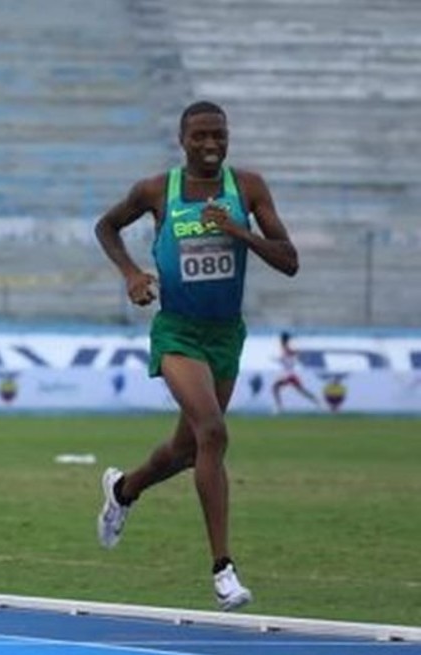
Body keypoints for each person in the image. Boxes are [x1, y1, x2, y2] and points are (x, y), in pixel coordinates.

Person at [93, 100, 300, 611]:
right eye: (200, 136)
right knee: (213, 432)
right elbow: (106, 227)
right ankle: (222, 569)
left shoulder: (247, 188)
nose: (210, 144)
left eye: (218, 135)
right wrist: (131, 275)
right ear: (182, 140)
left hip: (225, 335)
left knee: (187, 451)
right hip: (178, 333)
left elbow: (289, 260)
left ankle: (123, 491)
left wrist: (238, 231)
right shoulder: (155, 191)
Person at [272, 331, 320, 413]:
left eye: (281, 339)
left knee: (275, 387)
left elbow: (291, 354)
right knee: (301, 390)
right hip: (289, 374)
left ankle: (279, 407)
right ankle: (316, 400)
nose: (280, 341)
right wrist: (279, 359)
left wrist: (294, 353)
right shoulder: (284, 348)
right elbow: (288, 357)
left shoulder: (286, 348)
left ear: (283, 340)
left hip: (289, 375)